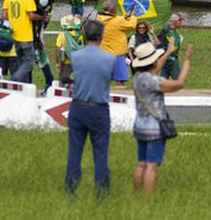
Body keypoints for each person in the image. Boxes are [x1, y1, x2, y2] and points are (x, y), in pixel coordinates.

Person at [130, 40, 193, 199]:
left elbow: (155, 67)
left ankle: (136, 196)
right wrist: (187, 61)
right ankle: (148, 201)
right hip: (155, 128)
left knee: (141, 163)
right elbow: (179, 84)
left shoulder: (137, 77)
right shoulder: (154, 81)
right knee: (152, 167)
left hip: (139, 126)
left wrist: (167, 52)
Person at [66, 19, 117, 195]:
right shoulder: (110, 59)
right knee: (100, 152)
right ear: (102, 36)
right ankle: (102, 189)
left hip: (78, 106)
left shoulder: (76, 56)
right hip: (99, 107)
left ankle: (70, 187)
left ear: (85, 35)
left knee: (75, 150)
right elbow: (109, 78)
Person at [1, 0, 42, 83]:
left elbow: (4, 16)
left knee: (21, 62)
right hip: (26, 35)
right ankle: (14, 79)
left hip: (14, 35)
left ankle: (25, 85)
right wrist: (42, 17)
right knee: (29, 62)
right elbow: (32, 16)